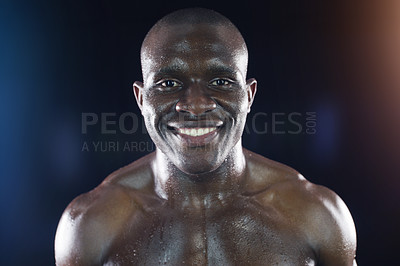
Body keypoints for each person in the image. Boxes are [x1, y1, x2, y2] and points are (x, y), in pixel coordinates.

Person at [55, 8, 357, 265]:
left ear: (248, 96)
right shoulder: (90, 225)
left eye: (221, 81)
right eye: (169, 82)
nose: (196, 104)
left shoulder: (316, 215)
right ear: (142, 99)